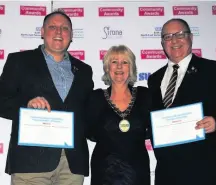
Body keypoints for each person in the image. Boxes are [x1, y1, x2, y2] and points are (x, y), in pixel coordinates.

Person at [0, 9, 94, 185]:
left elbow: (87, 113)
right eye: (53, 27)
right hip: (31, 162)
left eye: (65, 28)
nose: (59, 32)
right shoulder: (19, 61)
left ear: (71, 35)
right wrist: (26, 104)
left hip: (72, 163)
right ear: (42, 32)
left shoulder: (84, 70)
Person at [147, 18, 216, 185]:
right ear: (162, 43)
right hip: (167, 173)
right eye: (168, 37)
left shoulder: (215, 71)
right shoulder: (154, 79)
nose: (174, 40)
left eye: (180, 34)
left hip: (204, 171)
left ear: (191, 37)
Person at [86, 45, 151, 185]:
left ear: (131, 67)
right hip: (104, 173)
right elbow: (89, 132)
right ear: (107, 68)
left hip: (137, 172)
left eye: (125, 62)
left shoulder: (145, 96)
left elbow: (156, 127)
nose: (119, 67)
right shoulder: (95, 98)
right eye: (114, 62)